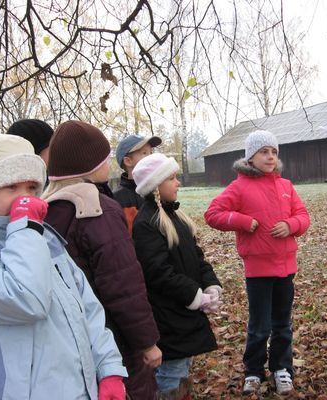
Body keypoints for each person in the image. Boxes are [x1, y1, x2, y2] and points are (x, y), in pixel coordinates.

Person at [0, 134, 127, 400]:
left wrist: (109, 370)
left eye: (31, 188)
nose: (24, 198)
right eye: (11, 187)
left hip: (82, 388)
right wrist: (24, 226)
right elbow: (28, 300)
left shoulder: (41, 237)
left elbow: (87, 308)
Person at [42, 120, 162, 400]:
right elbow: (122, 284)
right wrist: (146, 342)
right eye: (104, 156)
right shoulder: (98, 210)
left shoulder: (44, 211)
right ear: (90, 164)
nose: (108, 161)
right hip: (113, 339)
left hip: (68, 340)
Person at [204, 130, 310, 396]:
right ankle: (253, 371)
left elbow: (303, 216)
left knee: (282, 325)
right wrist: (241, 221)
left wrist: (291, 225)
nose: (270, 156)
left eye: (274, 152)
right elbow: (212, 214)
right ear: (250, 157)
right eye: (264, 151)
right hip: (258, 270)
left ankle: (281, 368)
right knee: (260, 326)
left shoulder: (285, 186)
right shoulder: (239, 187)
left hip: (286, 268)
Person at [132, 153, 222, 400]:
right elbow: (158, 273)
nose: (178, 182)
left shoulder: (176, 217)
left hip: (185, 315)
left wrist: (211, 285)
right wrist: (195, 296)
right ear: (156, 186)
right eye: (171, 178)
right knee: (170, 376)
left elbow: (197, 257)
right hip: (168, 319)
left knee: (183, 371)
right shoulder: (147, 223)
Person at [113, 134, 162, 235]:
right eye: (144, 153)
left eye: (151, 153)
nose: (151, 158)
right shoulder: (117, 199)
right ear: (128, 161)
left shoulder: (159, 189)